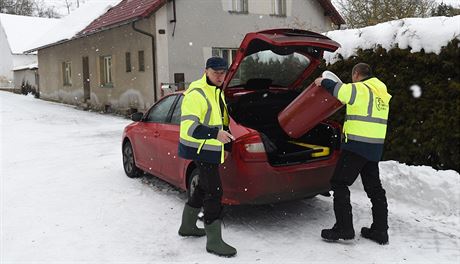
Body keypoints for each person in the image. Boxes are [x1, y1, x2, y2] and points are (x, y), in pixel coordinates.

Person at [314, 63, 392, 245]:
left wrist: (322, 81)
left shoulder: (360, 89)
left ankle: (344, 228)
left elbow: (340, 91)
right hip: (374, 147)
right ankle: (380, 230)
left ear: (356, 74)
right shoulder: (381, 90)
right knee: (375, 189)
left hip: (357, 145)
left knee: (339, 183)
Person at [177, 57, 236, 257]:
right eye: (216, 72)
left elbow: (223, 122)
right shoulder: (196, 93)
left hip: (213, 149)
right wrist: (214, 135)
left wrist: (227, 145)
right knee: (214, 192)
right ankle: (214, 241)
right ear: (206, 71)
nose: (220, 76)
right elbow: (189, 128)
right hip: (201, 149)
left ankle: (187, 226)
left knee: (203, 186)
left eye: (223, 72)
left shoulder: (217, 91)